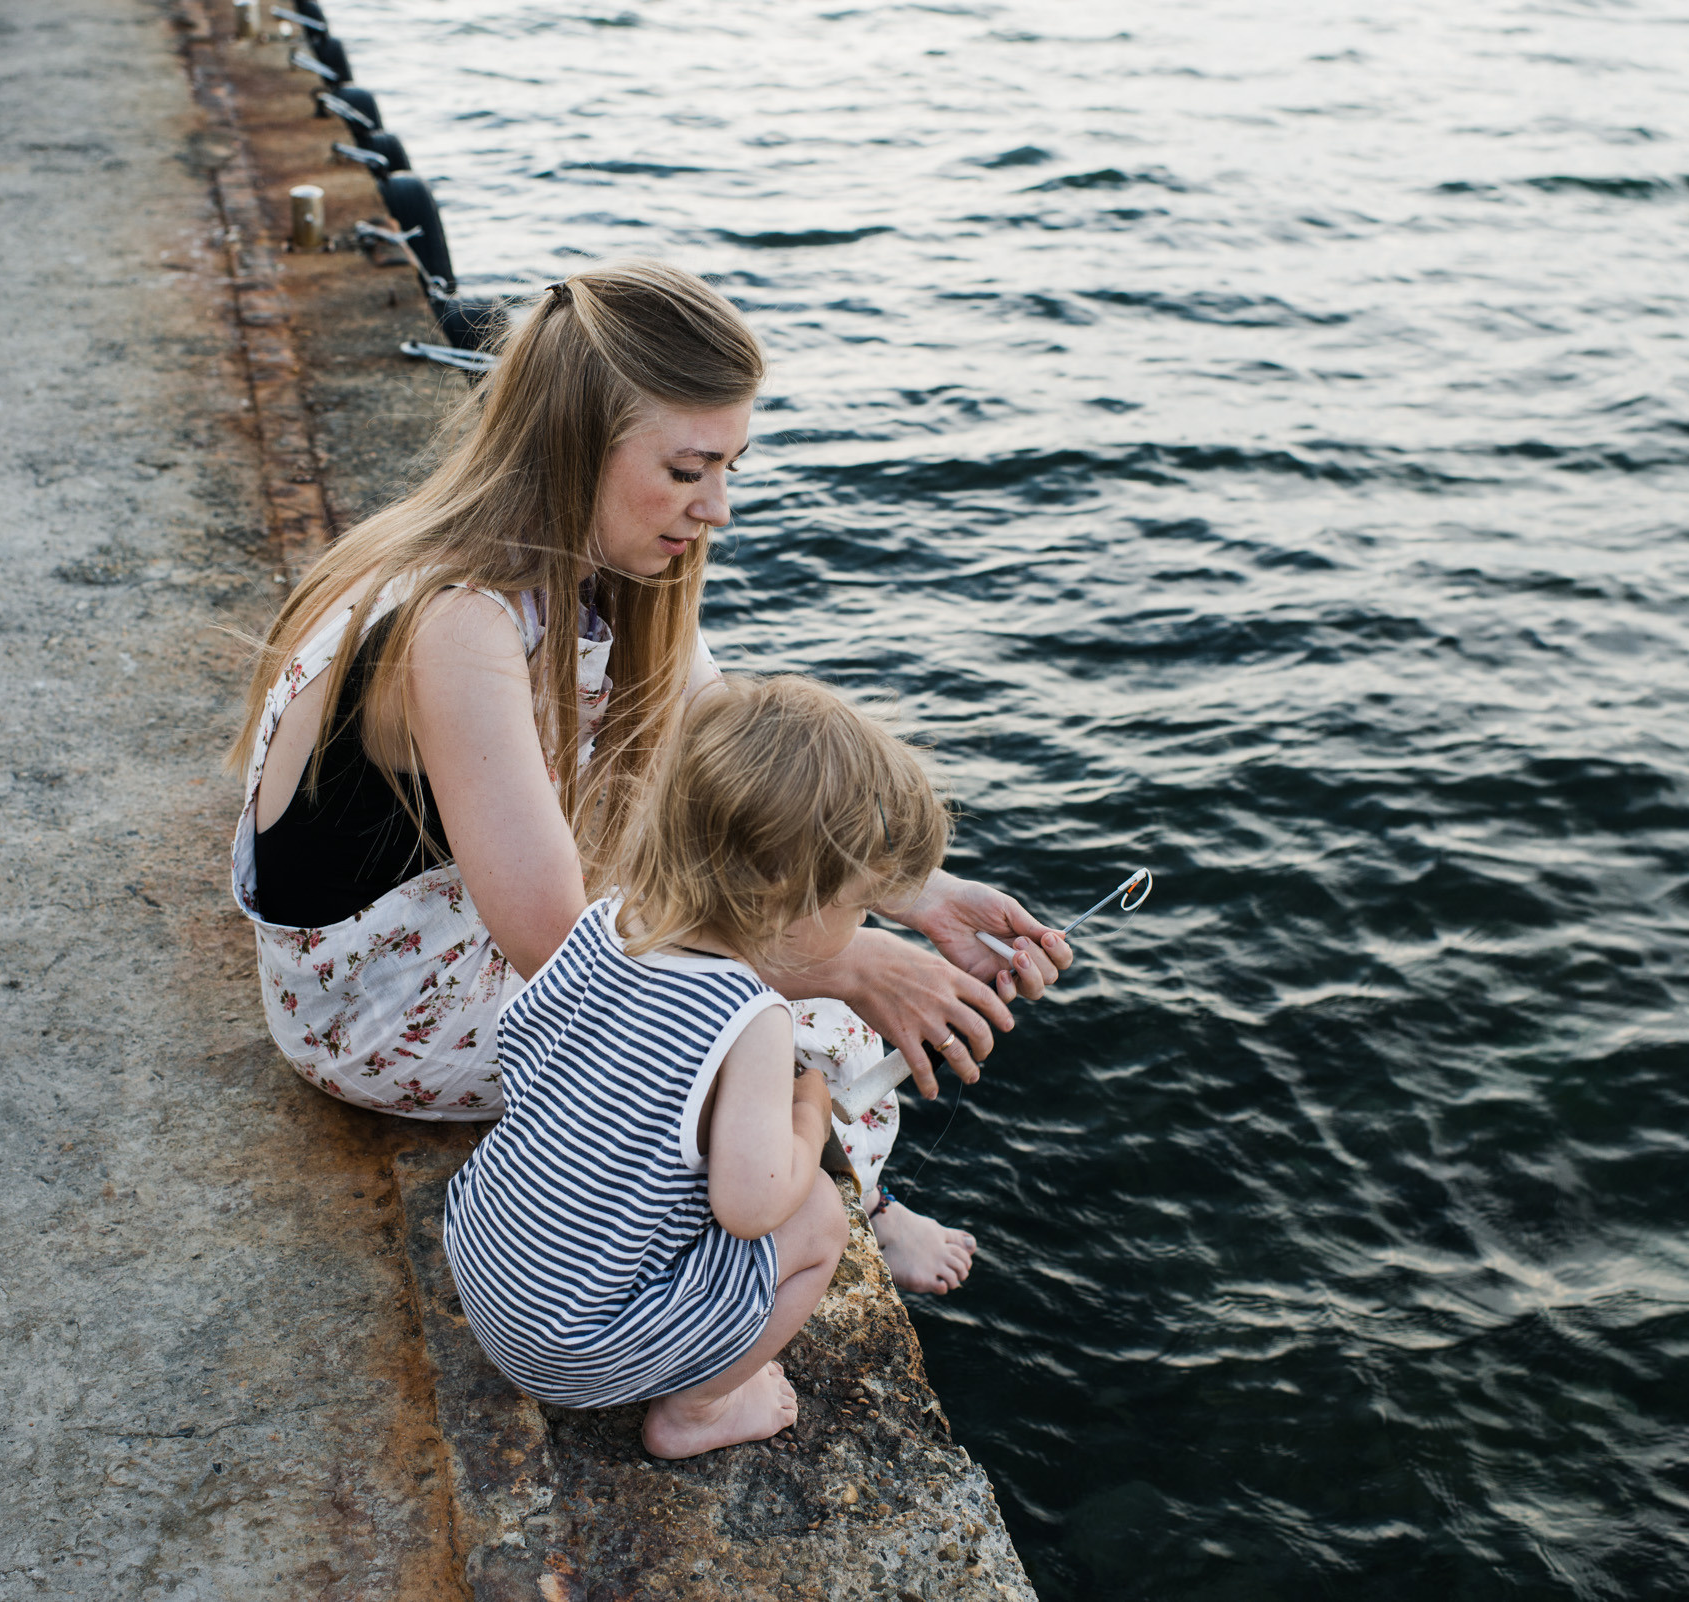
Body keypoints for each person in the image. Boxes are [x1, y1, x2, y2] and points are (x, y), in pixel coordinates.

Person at [227, 260, 1073, 1294]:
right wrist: (845, 964)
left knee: (764, 931)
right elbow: (566, 956)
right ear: (576, 447)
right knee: (800, 1029)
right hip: (376, 1014)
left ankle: (829, 1181)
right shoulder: (457, 625)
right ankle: (839, 1212)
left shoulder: (603, 563)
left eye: (730, 467)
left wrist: (918, 894)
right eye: (686, 470)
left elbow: (734, 766)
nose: (717, 507)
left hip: (456, 920)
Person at [444, 675, 947, 1456]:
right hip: (566, 1349)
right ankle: (701, 1410)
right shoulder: (751, 1016)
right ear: (788, 896)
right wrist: (808, 1112)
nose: (862, 925)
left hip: (485, 1259)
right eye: (858, 905)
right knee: (818, 1216)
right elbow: (753, 1206)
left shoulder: (609, 922)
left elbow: (529, 1051)